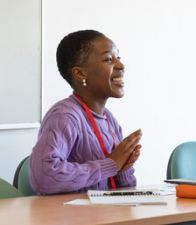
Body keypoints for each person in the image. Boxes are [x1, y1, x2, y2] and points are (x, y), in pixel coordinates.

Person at [29, 30, 142, 195]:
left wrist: (123, 167)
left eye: (119, 58)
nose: (120, 65)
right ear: (80, 73)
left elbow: (122, 192)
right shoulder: (64, 116)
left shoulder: (109, 120)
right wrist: (111, 164)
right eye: (109, 59)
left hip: (105, 217)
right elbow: (44, 177)